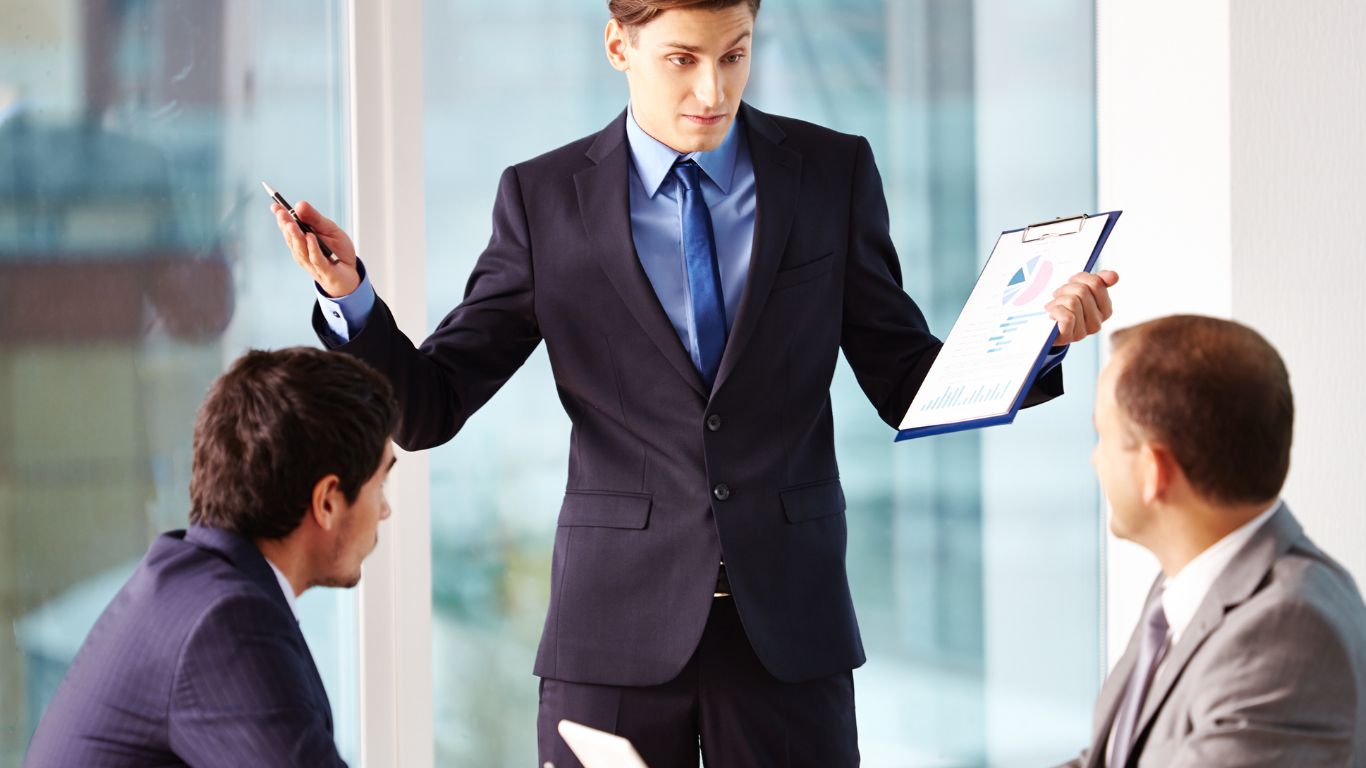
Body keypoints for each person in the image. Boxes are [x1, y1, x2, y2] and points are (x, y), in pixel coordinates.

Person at [274, 1, 1117, 765]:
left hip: (789, 627)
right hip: (612, 632)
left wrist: (1037, 339)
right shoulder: (543, 201)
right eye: (682, 59)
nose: (712, 89)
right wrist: (350, 297)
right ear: (619, 45)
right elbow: (430, 405)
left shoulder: (831, 174)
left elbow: (905, 379)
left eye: (735, 55)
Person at [24, 348, 399, 767]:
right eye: (380, 484)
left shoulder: (197, 587)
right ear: (327, 501)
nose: (385, 510)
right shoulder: (226, 622)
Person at [1059, 315, 1366, 767]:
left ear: (1153, 471)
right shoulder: (1187, 585)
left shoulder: (1286, 628)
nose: (1094, 460)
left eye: (1103, 436)